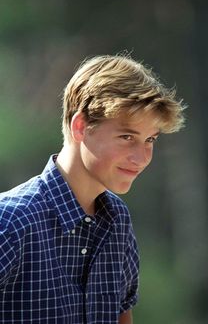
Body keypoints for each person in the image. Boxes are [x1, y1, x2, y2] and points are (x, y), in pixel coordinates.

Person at [0, 54, 185, 324]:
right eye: (126, 137)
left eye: (149, 140)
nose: (142, 157)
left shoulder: (117, 220)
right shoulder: (11, 221)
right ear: (80, 127)